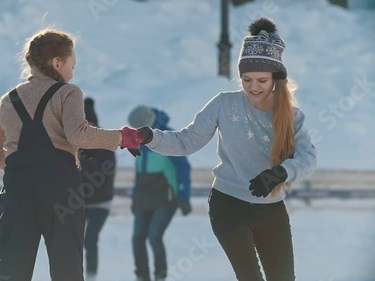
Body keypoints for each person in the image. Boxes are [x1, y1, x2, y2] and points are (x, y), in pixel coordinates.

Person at [133, 17, 316, 281]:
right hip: (228, 205)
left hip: (271, 209)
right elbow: (187, 140)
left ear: (276, 78)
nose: (253, 87)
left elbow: (308, 157)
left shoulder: (291, 115)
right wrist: (149, 136)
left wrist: (280, 173)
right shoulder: (224, 105)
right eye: (246, 79)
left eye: (262, 80)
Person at [0, 28, 142, 281]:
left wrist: (21, 168)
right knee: (67, 270)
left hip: (18, 192)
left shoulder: (8, 100)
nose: (72, 72)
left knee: (11, 271)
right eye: (72, 65)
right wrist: (122, 137)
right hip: (61, 193)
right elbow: (78, 135)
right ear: (57, 63)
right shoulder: (68, 93)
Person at [128, 106, 192, 281]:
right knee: (137, 238)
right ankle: (142, 275)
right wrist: (134, 198)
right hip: (143, 196)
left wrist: (184, 196)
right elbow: (139, 171)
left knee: (154, 236)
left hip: (166, 196)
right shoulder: (137, 139)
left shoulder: (167, 136)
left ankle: (160, 275)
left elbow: (183, 167)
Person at [80, 97, 116, 281]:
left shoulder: (105, 144)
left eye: (90, 125)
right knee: (75, 240)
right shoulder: (76, 145)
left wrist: (83, 159)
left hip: (101, 203)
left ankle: (92, 276)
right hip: (78, 202)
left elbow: (104, 173)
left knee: (90, 239)